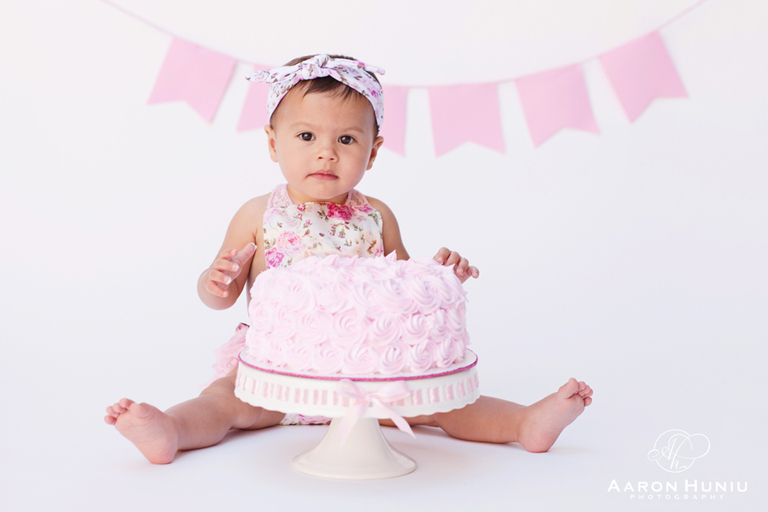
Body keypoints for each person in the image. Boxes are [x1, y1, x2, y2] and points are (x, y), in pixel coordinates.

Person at [104, 54, 593, 464]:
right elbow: (222, 297)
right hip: (280, 375)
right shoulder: (258, 214)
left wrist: (441, 276)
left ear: (373, 152)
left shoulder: (376, 216)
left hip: (370, 377)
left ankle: (524, 423)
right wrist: (215, 281)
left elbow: (405, 293)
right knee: (224, 401)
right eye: (306, 137)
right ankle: (170, 430)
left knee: (443, 407)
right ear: (273, 143)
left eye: (346, 140)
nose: (326, 154)